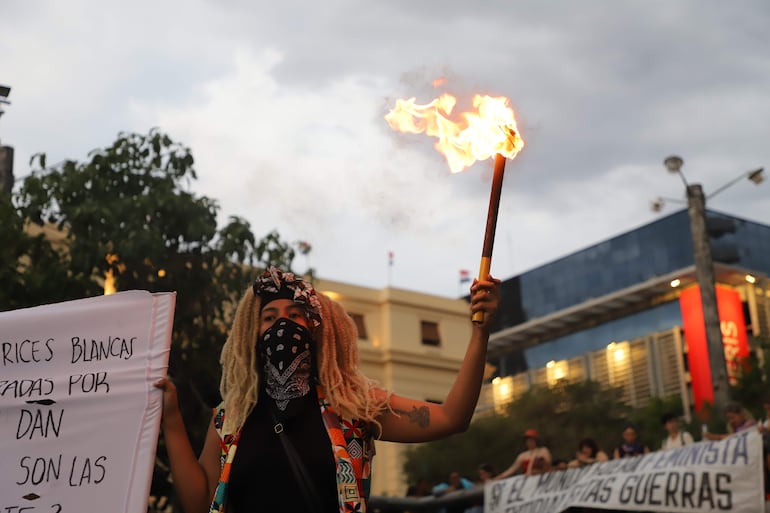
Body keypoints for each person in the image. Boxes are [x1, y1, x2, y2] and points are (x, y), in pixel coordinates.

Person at [154, 266, 500, 513]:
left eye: (295, 314)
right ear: (252, 334)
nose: (283, 324)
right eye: (270, 317)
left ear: (317, 328)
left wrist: (480, 333)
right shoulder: (230, 419)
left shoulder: (352, 406)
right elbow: (199, 503)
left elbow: (451, 418)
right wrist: (171, 420)